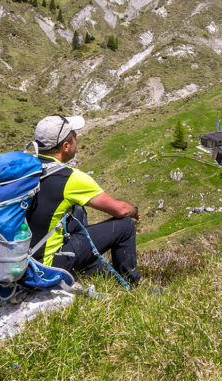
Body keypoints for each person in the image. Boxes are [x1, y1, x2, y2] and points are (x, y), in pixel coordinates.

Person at [27, 114, 141, 287]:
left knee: (77, 212)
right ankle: (130, 285)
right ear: (66, 146)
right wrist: (134, 211)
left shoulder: (25, 170)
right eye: (74, 135)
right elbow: (120, 210)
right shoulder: (69, 178)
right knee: (125, 225)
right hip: (46, 267)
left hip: (20, 262)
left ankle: (92, 271)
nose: (76, 139)